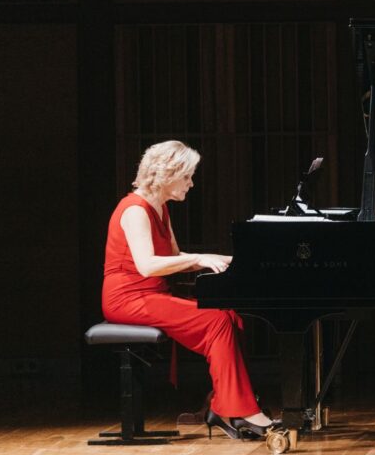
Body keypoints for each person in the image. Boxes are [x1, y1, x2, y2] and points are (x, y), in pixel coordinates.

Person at [101, 140, 278, 439]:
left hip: (150, 295)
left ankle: (225, 401)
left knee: (228, 314)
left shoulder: (160, 208)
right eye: (187, 176)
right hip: (127, 298)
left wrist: (227, 260)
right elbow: (146, 265)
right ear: (168, 174)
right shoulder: (134, 210)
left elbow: (174, 257)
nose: (192, 183)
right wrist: (199, 259)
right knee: (217, 320)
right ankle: (236, 409)